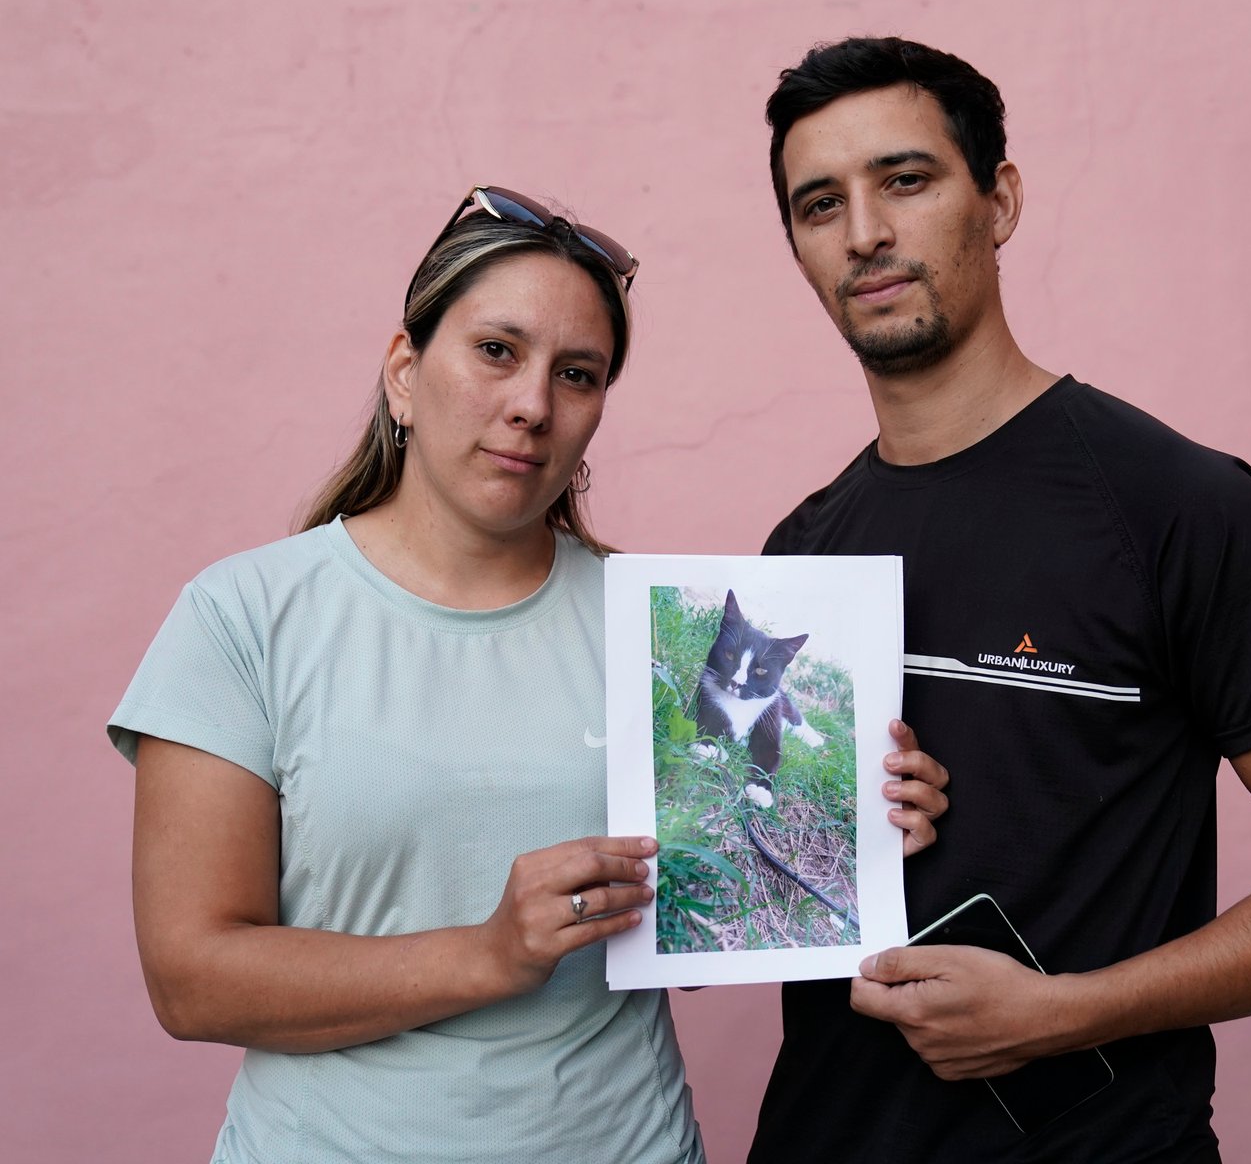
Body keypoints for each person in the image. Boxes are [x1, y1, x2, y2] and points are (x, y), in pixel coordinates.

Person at [108, 185, 948, 1164]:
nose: (532, 405)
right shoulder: (243, 617)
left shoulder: (652, 629)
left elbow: (693, 927)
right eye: (497, 351)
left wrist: (855, 828)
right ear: (404, 373)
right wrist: (486, 954)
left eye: (578, 373)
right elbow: (192, 980)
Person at [747, 38, 1251, 1163]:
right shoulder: (799, 552)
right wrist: (802, 834)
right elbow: (774, 884)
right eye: (821, 204)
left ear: (998, 200)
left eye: (904, 181)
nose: (863, 230)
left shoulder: (1176, 505)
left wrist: (1060, 1013)